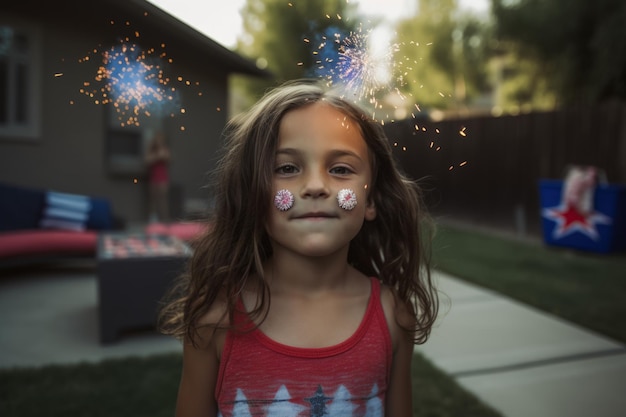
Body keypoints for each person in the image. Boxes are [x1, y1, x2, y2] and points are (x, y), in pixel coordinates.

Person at [159, 80, 439, 417]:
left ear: (371, 199)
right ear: (254, 195)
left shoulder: (394, 317)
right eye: (287, 168)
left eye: (340, 169)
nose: (316, 186)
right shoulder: (216, 319)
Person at [145, 130, 171, 222]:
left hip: (163, 178)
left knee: (163, 200)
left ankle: (164, 219)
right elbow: (148, 160)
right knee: (153, 199)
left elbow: (166, 157)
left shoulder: (165, 149)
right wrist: (157, 156)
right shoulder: (152, 150)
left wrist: (158, 156)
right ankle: (153, 219)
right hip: (153, 177)